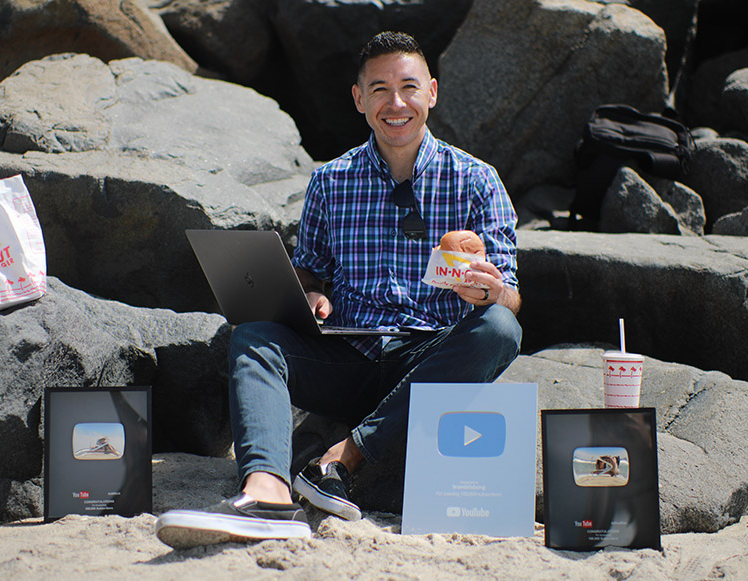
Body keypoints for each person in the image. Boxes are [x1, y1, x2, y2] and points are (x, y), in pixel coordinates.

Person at [154, 31, 522, 549]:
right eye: (379, 89)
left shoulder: (477, 181)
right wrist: (308, 295)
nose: (395, 104)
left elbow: (510, 296)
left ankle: (344, 455)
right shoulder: (331, 181)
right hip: (346, 355)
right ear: (358, 99)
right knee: (255, 333)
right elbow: (311, 271)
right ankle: (267, 492)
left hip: (429, 362)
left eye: (408, 87)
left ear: (432, 93)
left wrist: (488, 293)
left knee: (501, 329)